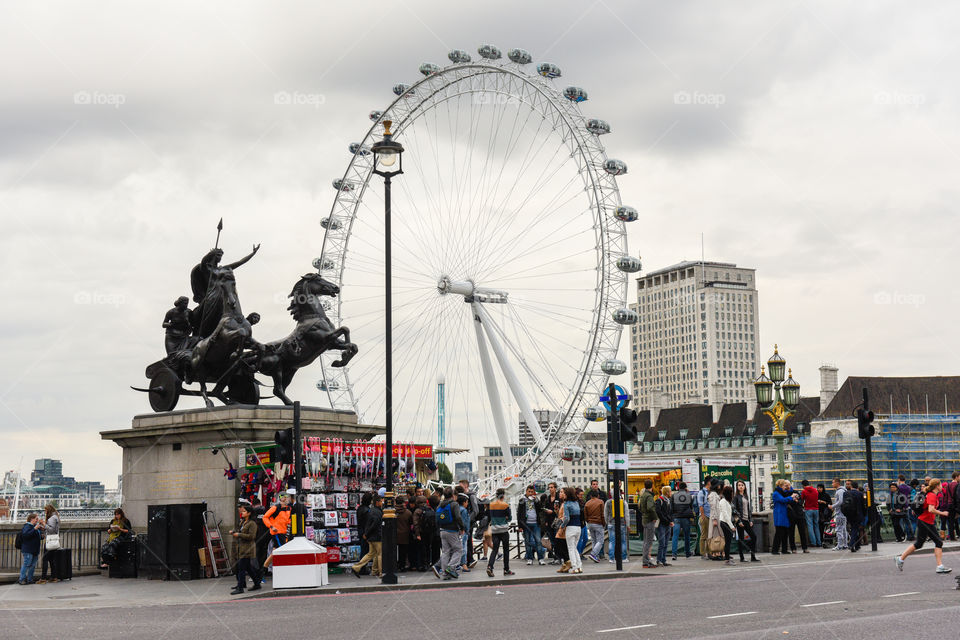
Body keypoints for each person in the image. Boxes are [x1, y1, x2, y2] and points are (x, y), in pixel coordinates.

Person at [896, 478, 952, 574]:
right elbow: (931, 509)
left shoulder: (932, 494)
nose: (942, 486)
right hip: (924, 522)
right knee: (931, 542)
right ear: (937, 486)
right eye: (940, 484)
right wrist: (942, 513)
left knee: (925, 543)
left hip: (927, 522)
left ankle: (900, 559)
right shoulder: (932, 495)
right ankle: (939, 566)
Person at [230, 505, 262, 594]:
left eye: (244, 511)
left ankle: (240, 588)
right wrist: (234, 533)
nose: (242, 513)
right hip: (241, 548)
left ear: (249, 513)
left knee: (241, 569)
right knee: (248, 568)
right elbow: (240, 532)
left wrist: (239, 535)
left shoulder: (252, 523)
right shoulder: (243, 522)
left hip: (247, 549)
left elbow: (252, 536)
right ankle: (257, 583)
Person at [434, 487, 464, 580]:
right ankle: (450, 568)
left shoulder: (440, 505)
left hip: (442, 530)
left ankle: (444, 574)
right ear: (452, 495)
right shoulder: (454, 504)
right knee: (458, 550)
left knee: (445, 552)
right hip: (452, 530)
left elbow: (437, 519)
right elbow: (458, 517)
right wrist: (462, 527)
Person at [351, 493, 383, 578]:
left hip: (365, 533)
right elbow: (373, 524)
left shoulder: (361, 509)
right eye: (381, 501)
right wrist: (366, 533)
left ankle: (357, 567)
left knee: (370, 553)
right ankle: (381, 572)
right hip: (372, 534)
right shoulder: (370, 511)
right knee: (379, 554)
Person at [485, 488, 514, 577]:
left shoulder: (491, 505)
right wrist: (505, 518)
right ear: (503, 495)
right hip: (504, 530)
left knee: (495, 550)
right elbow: (509, 518)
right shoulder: (505, 505)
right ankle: (506, 569)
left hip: (495, 530)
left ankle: (490, 566)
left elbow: (489, 518)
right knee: (506, 550)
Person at [517, 485, 545, 565]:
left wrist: (536, 500)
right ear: (526, 491)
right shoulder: (522, 501)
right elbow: (519, 514)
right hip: (526, 524)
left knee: (538, 541)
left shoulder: (535, 500)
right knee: (527, 542)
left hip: (536, 523)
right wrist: (520, 526)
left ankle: (540, 558)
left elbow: (540, 509)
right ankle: (530, 558)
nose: (530, 493)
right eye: (529, 491)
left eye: (531, 492)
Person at [733, 480, 759, 562]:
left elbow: (748, 510)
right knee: (741, 539)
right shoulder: (736, 497)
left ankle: (753, 556)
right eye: (739, 485)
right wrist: (739, 521)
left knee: (754, 537)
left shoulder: (746, 496)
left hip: (746, 520)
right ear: (737, 487)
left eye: (742, 485)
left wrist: (750, 520)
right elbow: (734, 510)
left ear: (744, 486)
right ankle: (742, 557)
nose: (741, 486)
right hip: (740, 521)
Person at [560, 487, 583, 574]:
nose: (564, 495)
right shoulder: (576, 503)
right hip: (578, 528)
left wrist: (562, 526)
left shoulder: (566, 504)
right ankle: (579, 566)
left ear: (567, 494)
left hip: (570, 528)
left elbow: (567, 518)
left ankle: (574, 567)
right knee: (575, 548)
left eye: (565, 493)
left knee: (570, 548)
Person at [458, 479, 480, 569]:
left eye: (460, 486)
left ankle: (469, 559)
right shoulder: (465, 495)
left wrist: (467, 520)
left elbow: (476, 510)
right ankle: (467, 560)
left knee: (467, 541)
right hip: (465, 521)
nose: (459, 488)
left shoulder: (471, 496)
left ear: (466, 486)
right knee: (465, 541)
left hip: (468, 522)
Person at [670, 482, 695, 560]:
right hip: (686, 518)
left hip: (676, 517)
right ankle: (687, 553)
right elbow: (691, 507)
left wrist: (672, 518)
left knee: (675, 536)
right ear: (685, 488)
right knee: (687, 536)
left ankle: (674, 554)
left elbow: (671, 508)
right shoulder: (689, 496)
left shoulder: (673, 496)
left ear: (678, 487)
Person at [18, 513, 44, 585]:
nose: (37, 520)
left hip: (34, 549)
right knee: (27, 564)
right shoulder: (27, 526)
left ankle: (30, 579)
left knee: (32, 565)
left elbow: (36, 536)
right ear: (32, 519)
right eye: (36, 519)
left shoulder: (33, 526)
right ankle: (22, 579)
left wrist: (41, 535)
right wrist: (35, 529)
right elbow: (26, 535)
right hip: (28, 549)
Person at [38, 504, 61, 584]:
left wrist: (44, 524)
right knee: (51, 560)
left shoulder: (52, 518)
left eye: (46, 510)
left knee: (45, 560)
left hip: (50, 542)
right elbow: (52, 529)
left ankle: (43, 578)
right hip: (54, 541)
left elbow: (51, 530)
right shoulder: (56, 517)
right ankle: (54, 577)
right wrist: (44, 527)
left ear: (49, 510)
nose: (45, 512)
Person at [771, 479, 794, 555]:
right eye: (784, 485)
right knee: (779, 533)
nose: (785, 487)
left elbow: (789, 491)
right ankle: (775, 550)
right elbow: (783, 500)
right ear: (781, 485)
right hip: (779, 514)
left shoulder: (781, 492)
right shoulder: (776, 493)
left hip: (783, 514)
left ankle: (784, 549)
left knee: (785, 533)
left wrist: (789, 489)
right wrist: (791, 497)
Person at [605, 492, 629, 563]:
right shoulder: (623, 502)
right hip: (621, 524)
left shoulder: (608, 502)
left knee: (612, 542)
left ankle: (611, 558)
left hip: (611, 524)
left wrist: (607, 522)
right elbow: (626, 515)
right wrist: (628, 525)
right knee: (623, 541)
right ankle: (624, 558)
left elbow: (605, 514)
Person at [639, 479, 658, 568]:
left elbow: (639, 507)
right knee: (649, 542)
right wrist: (655, 517)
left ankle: (645, 560)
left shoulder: (643, 495)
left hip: (644, 519)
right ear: (652, 486)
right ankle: (646, 561)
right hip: (649, 520)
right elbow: (650, 508)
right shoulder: (649, 496)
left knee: (645, 541)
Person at [539, 483, 560, 564]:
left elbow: (561, 509)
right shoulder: (547, 499)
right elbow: (545, 510)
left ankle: (559, 557)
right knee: (552, 541)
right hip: (549, 522)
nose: (550, 489)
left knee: (557, 540)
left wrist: (553, 512)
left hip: (557, 521)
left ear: (555, 488)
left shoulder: (558, 498)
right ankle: (555, 557)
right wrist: (546, 522)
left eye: (552, 487)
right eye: (549, 488)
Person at [584, 490, 606, 563]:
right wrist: (603, 523)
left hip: (590, 523)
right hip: (598, 523)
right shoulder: (600, 502)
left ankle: (595, 556)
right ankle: (593, 554)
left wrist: (588, 521)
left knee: (594, 540)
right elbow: (602, 514)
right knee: (600, 541)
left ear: (590, 496)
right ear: (598, 495)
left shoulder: (587, 503)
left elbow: (585, 515)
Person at [654, 486, 674, 567]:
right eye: (670, 491)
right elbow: (659, 513)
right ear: (667, 492)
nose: (671, 492)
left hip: (667, 524)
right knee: (662, 543)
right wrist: (668, 521)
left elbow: (670, 512)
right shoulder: (659, 500)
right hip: (662, 524)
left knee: (665, 543)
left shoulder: (668, 500)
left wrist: (671, 520)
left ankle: (663, 560)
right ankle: (659, 560)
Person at [717, 485, 736, 565]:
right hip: (724, 522)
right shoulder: (723, 502)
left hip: (725, 522)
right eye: (731, 492)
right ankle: (727, 559)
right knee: (728, 542)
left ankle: (727, 558)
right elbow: (725, 515)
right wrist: (731, 526)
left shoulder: (726, 501)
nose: (733, 494)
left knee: (728, 541)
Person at [829, 477, 849, 550]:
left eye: (833, 482)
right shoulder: (843, 490)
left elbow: (840, 501)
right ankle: (845, 544)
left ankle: (840, 546)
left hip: (840, 513)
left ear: (837, 483)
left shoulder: (839, 491)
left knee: (839, 529)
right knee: (843, 529)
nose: (832, 484)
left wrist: (832, 506)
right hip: (844, 513)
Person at [787, 485, 809, 553]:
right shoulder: (785, 494)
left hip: (799, 515)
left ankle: (804, 548)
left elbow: (800, 502)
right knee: (791, 533)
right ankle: (794, 548)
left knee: (802, 532)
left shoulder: (795, 492)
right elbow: (790, 502)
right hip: (792, 515)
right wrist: (795, 501)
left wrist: (795, 500)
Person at [800, 480, 821, 548]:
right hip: (816, 509)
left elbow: (802, 500)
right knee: (816, 526)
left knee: (810, 526)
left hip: (808, 509)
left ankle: (813, 542)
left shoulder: (804, 491)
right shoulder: (815, 490)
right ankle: (819, 542)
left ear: (803, 485)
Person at [845, 481, 865, 552]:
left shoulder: (846, 493)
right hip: (858, 515)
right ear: (857, 486)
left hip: (849, 514)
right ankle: (851, 544)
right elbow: (863, 506)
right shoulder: (859, 494)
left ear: (851, 486)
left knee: (854, 529)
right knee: (855, 529)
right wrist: (864, 515)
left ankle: (857, 545)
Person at [697, 477, 713, 559]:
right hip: (705, 516)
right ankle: (703, 553)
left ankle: (709, 552)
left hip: (710, 516)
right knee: (704, 535)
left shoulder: (710, 492)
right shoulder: (702, 492)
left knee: (709, 535)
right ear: (709, 482)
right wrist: (703, 516)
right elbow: (700, 505)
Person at [396, 497, 413, 572]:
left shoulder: (392, 512)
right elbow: (411, 523)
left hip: (395, 535)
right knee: (403, 552)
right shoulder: (408, 512)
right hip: (405, 534)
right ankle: (402, 566)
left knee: (394, 551)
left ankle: (395, 565)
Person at [456, 494, 472, 573]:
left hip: (455, 531)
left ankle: (457, 564)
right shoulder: (464, 510)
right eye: (467, 502)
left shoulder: (456, 509)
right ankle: (464, 565)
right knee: (463, 548)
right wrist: (466, 530)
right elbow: (465, 522)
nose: (467, 503)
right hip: (463, 532)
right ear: (464, 502)